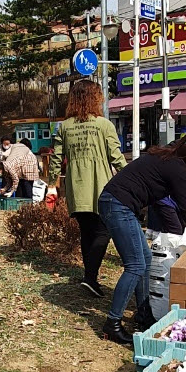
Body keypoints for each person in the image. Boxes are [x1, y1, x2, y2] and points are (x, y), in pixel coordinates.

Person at [98, 126, 186, 345]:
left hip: (118, 203)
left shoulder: (172, 158)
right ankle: (113, 324)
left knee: (144, 259)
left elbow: (184, 206)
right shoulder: (177, 166)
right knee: (136, 265)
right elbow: (185, 207)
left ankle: (144, 315)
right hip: (117, 204)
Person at [53, 80, 127, 296]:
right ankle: (90, 277)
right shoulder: (104, 125)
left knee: (87, 232)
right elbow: (117, 158)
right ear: (96, 98)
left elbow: (57, 159)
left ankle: (90, 277)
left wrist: (51, 185)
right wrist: (134, 176)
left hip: (76, 188)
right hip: (101, 186)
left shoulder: (64, 127)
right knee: (104, 231)